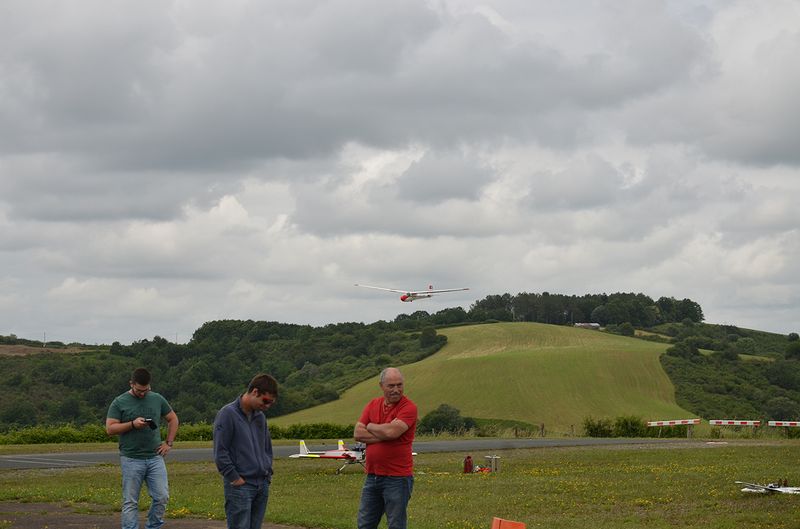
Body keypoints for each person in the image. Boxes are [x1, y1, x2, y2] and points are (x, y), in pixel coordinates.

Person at [106, 367, 179, 529]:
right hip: (131, 458)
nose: (142, 394)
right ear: (131, 384)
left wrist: (169, 443)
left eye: (146, 390)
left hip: (155, 457)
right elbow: (110, 429)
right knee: (130, 501)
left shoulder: (157, 399)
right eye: (139, 390)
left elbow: (173, 419)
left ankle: (153, 526)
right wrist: (132, 424)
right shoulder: (119, 402)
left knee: (162, 497)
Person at [354, 367, 418, 529]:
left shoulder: (408, 407)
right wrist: (384, 433)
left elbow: (391, 432)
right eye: (391, 386)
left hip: (397, 478)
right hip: (373, 476)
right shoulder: (373, 404)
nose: (396, 390)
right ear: (381, 386)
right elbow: (357, 433)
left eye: (399, 385)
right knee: (365, 524)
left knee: (396, 525)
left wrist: (369, 425)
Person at [213, 374, 278, 529]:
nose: (267, 406)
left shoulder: (260, 417)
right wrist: (234, 478)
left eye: (271, 403)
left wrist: (267, 473)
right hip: (241, 486)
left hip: (261, 484)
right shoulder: (227, 414)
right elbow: (220, 451)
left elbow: (267, 448)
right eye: (266, 401)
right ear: (255, 392)